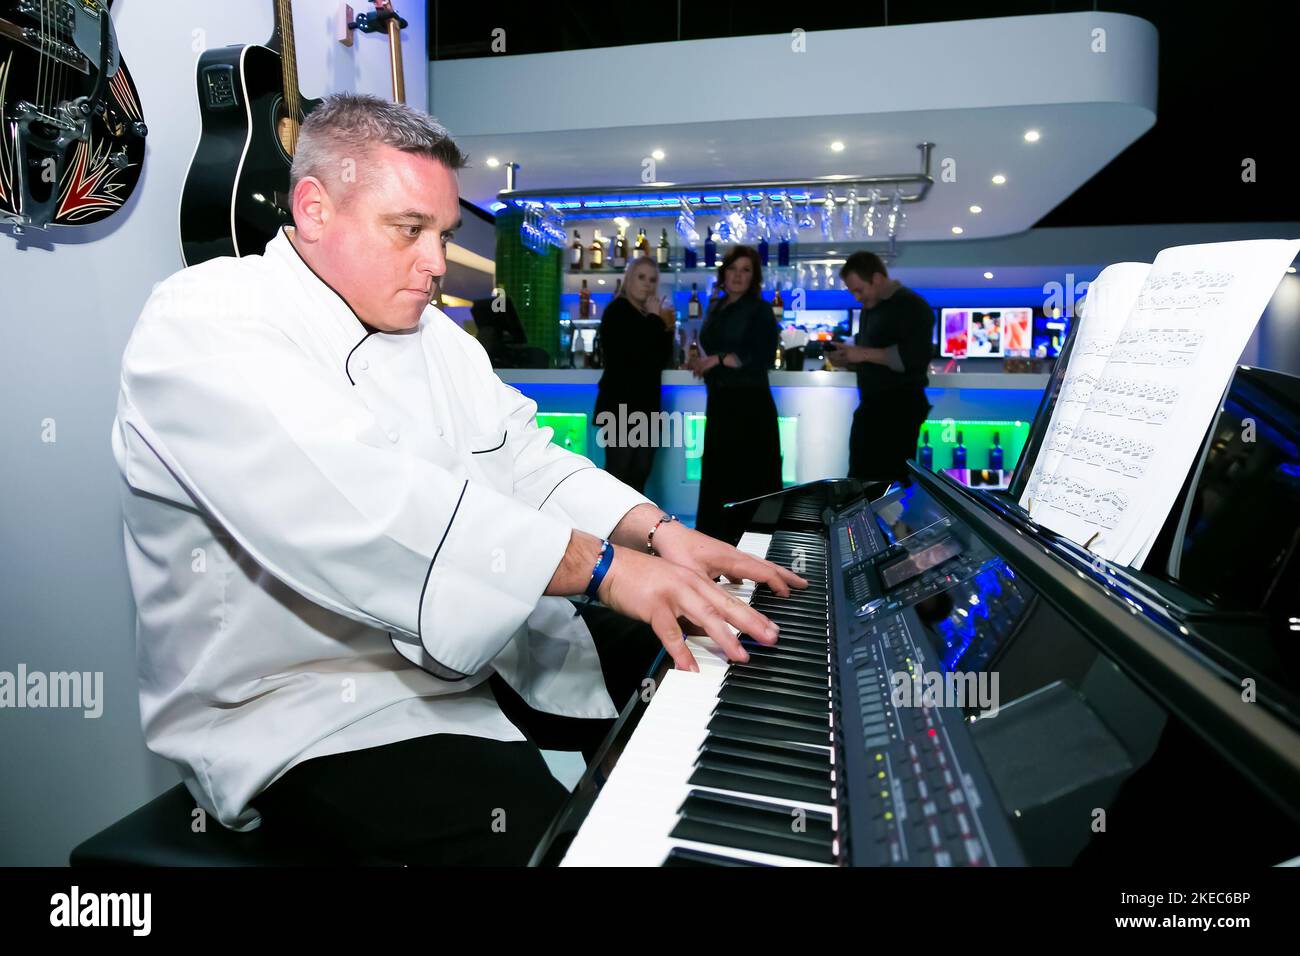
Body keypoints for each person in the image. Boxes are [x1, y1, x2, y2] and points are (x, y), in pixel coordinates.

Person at [110, 94, 805, 866]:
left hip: (473, 645)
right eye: (409, 230)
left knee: (707, 650)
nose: (438, 263)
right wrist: (607, 570)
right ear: (313, 208)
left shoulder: (435, 337)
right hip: (306, 705)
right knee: (542, 838)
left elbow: (525, 460)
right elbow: (365, 513)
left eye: (441, 234)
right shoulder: (206, 320)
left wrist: (661, 535)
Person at [689, 245, 783, 539]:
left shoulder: (759, 309)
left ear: (754, 276)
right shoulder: (717, 306)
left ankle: (750, 550)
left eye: (746, 270)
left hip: (749, 404)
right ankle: (714, 547)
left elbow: (762, 356)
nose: (738, 276)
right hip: (720, 401)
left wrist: (717, 359)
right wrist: (703, 361)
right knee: (719, 477)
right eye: (733, 268)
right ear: (723, 272)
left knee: (750, 480)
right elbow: (715, 349)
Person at [827, 251, 934, 483]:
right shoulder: (870, 308)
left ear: (876, 279)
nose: (857, 297)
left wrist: (861, 353)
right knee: (861, 479)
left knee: (886, 483)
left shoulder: (912, 305)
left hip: (898, 409)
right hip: (873, 406)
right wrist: (848, 358)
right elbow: (874, 357)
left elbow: (912, 358)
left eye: (859, 290)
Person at [593, 257, 675, 492]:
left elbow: (660, 360)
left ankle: (634, 529)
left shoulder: (648, 316)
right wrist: (655, 319)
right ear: (629, 279)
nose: (647, 284)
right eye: (641, 277)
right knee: (619, 475)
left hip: (647, 405)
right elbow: (632, 357)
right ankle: (607, 529)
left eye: (652, 279)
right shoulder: (616, 311)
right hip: (621, 405)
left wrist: (666, 326)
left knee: (640, 475)